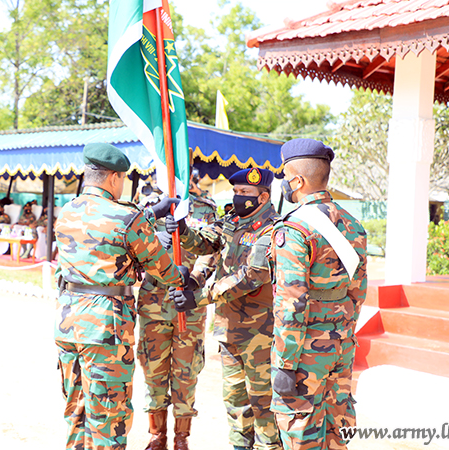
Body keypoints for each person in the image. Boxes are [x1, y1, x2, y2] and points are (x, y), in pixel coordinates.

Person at [54, 142, 190, 450]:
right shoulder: (125, 217)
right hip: (106, 328)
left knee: (77, 412)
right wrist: (180, 274)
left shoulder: (67, 211)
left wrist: (146, 215)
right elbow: (163, 269)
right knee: (109, 417)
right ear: (114, 178)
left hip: (68, 322)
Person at [167, 168, 282, 450]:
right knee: (235, 404)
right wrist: (183, 232)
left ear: (263, 196)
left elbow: (250, 275)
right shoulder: (232, 220)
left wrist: (200, 296)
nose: (238, 197)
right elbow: (207, 241)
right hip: (229, 332)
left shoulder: (273, 229)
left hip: (260, 336)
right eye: (236, 192)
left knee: (263, 406)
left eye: (245, 193)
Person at [269, 139, 368, 449]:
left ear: (297, 181)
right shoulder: (353, 226)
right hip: (341, 346)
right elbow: (358, 290)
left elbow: (292, 303)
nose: (284, 183)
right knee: (338, 431)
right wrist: (343, 333)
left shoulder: (295, 229)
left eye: (286, 176)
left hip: (303, 354)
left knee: (302, 434)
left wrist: (285, 364)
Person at [136, 183, 217, 450]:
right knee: (153, 369)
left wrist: (194, 279)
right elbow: (131, 239)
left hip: (188, 305)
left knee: (186, 372)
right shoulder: (147, 205)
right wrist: (151, 242)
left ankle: (181, 438)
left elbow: (212, 250)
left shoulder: (204, 208)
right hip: (154, 303)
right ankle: (156, 436)